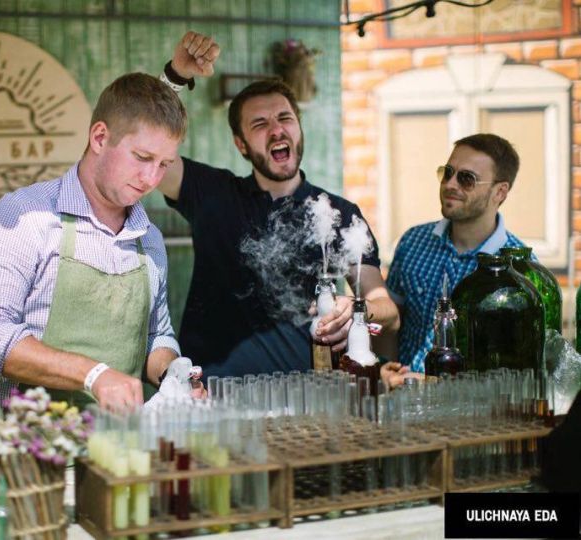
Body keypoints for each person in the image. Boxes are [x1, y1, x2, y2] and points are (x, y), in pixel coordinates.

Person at [157, 32, 399, 377]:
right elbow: (147, 140)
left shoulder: (340, 215)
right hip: (214, 397)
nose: (276, 131)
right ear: (241, 144)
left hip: (311, 398)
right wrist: (176, 76)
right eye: (260, 124)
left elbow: (387, 309)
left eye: (285, 119)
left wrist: (356, 309)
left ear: (299, 129)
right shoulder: (212, 194)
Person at [0, 73, 200, 411]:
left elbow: (154, 337)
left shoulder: (148, 239)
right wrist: (93, 374)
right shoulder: (23, 219)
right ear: (100, 137)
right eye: (142, 158)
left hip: (119, 448)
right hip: (31, 448)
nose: (152, 179)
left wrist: (172, 373)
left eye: (164, 164)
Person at [385, 133, 527, 373]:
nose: (450, 184)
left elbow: (516, 365)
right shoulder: (412, 242)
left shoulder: (518, 266)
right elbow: (390, 324)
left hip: (474, 406)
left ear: (500, 192)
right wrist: (387, 371)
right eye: (448, 172)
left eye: (467, 179)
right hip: (405, 399)